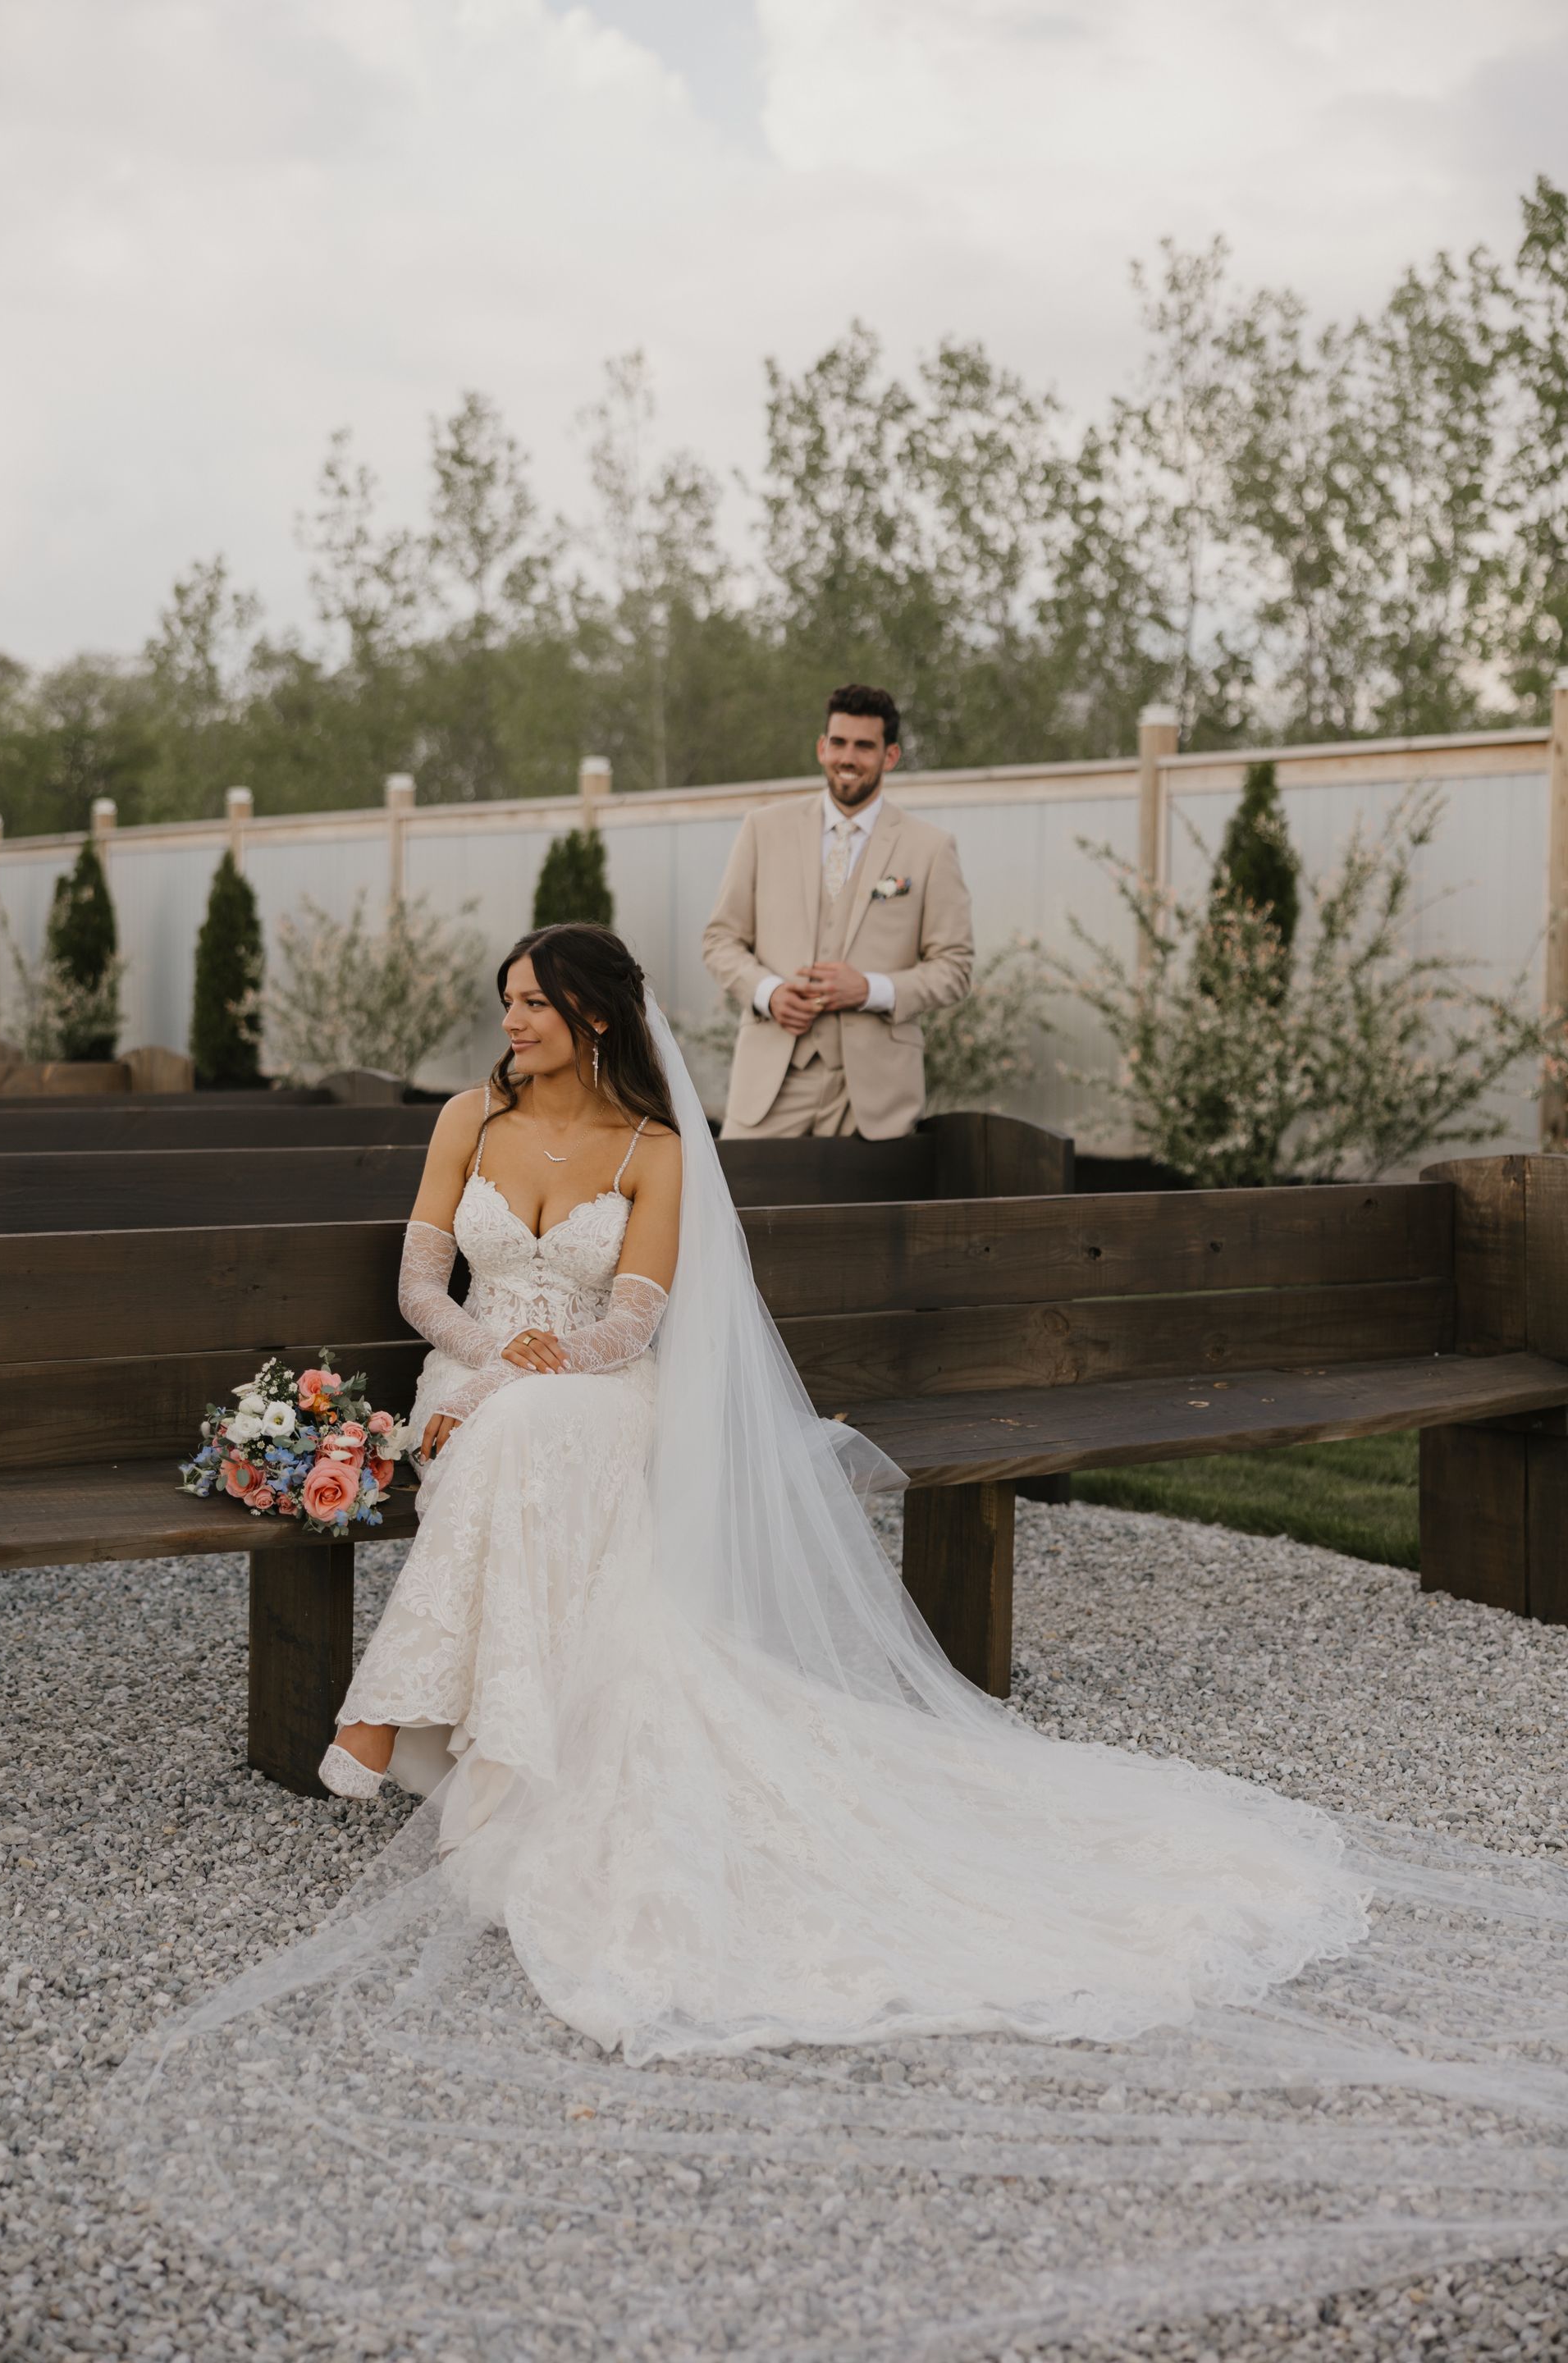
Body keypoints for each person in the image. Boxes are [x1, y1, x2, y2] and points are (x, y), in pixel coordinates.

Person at [116, 920, 1568, 2352]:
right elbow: (422, 1288)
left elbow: (640, 1317)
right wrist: (499, 1351)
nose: (514, 1025)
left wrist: (564, 1360)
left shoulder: (660, 1154)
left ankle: (408, 1713)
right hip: (475, 1375)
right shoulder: (466, 1119)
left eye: (536, 1007)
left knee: (540, 1442)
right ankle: (434, 1711)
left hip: (607, 1397)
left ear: (597, 1019)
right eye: (507, 1003)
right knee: (501, 1435)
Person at [702, 683, 973, 1138]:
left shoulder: (930, 848)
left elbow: (955, 968)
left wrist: (870, 989)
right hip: (771, 1082)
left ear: (889, 757)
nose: (849, 757)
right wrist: (769, 992)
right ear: (822, 749)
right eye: (839, 743)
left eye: (865, 746)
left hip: (874, 1095)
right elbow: (720, 940)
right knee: (743, 1206)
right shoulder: (763, 830)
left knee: (864, 1212)